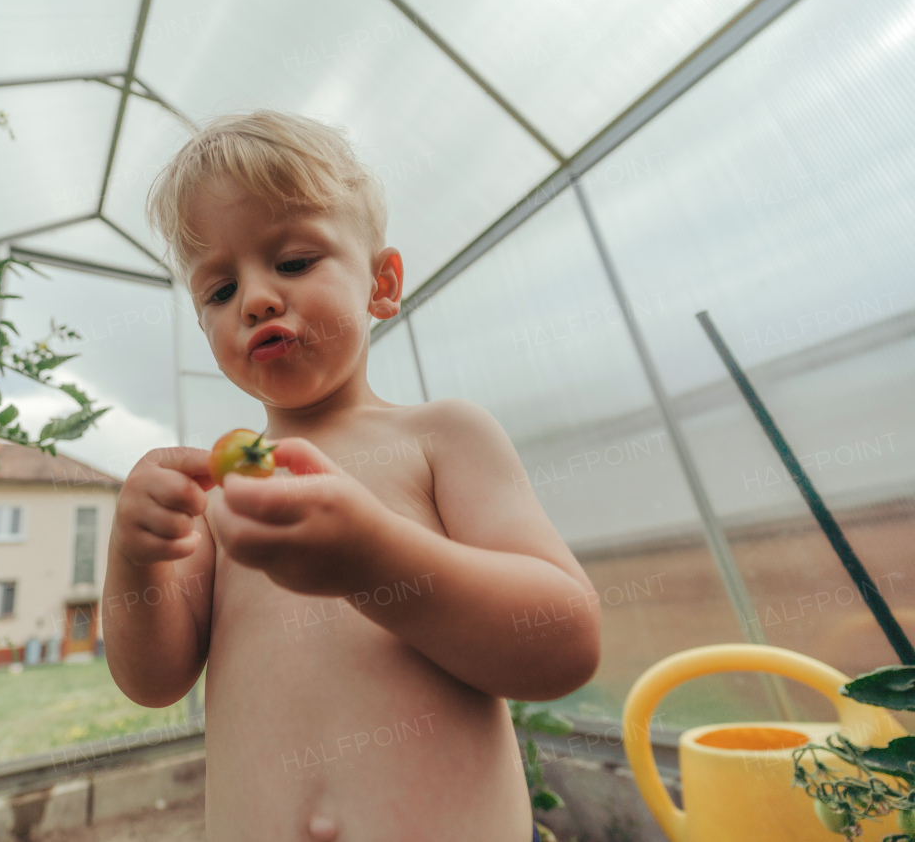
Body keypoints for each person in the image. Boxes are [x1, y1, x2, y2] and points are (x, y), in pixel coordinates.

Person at [102, 110, 601, 841]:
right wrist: (133, 554)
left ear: (382, 284)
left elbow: (563, 640)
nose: (257, 299)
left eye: (294, 262)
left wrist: (373, 558)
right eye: (218, 291)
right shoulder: (220, 495)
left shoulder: (442, 436)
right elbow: (154, 681)